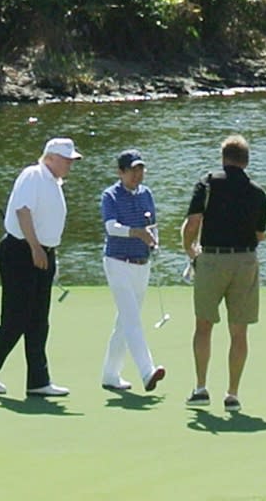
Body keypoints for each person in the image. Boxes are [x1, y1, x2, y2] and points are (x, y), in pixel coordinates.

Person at [0, 137, 82, 396]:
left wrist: (48, 252)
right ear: (51, 157)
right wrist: (34, 247)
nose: (69, 165)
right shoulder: (34, 175)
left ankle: (38, 381)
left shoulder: (54, 182)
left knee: (39, 320)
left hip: (42, 254)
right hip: (21, 252)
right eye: (66, 160)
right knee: (17, 316)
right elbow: (22, 211)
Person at [181, 135, 266, 411]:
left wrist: (189, 250)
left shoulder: (207, 183)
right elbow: (260, 234)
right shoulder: (257, 192)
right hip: (245, 261)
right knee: (239, 331)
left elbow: (193, 222)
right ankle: (232, 394)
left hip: (212, 259)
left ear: (223, 157)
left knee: (203, 325)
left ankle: (201, 387)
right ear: (246, 160)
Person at [100, 149, 165, 392]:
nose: (137, 174)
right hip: (117, 262)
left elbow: (152, 225)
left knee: (125, 321)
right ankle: (147, 371)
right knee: (132, 319)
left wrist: (154, 242)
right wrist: (136, 232)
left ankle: (110, 374)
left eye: (140, 169)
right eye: (132, 170)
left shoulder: (146, 194)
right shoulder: (111, 196)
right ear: (121, 172)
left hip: (141, 263)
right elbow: (111, 227)